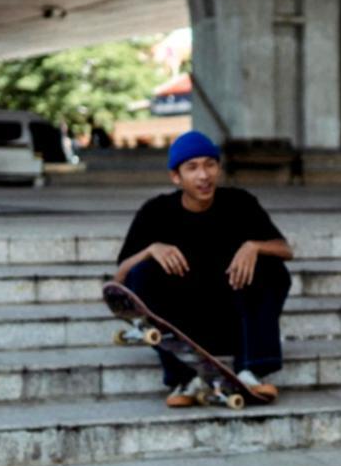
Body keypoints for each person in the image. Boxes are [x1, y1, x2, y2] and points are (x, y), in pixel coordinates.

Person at [115, 129, 294, 407]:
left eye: (210, 165)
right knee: (143, 272)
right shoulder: (155, 212)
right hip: (184, 331)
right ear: (176, 177)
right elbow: (120, 282)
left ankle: (251, 371)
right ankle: (184, 378)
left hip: (236, 325)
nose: (203, 175)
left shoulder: (240, 203)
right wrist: (150, 250)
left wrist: (254, 246)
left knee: (271, 267)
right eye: (192, 168)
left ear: (218, 169)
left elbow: (285, 250)